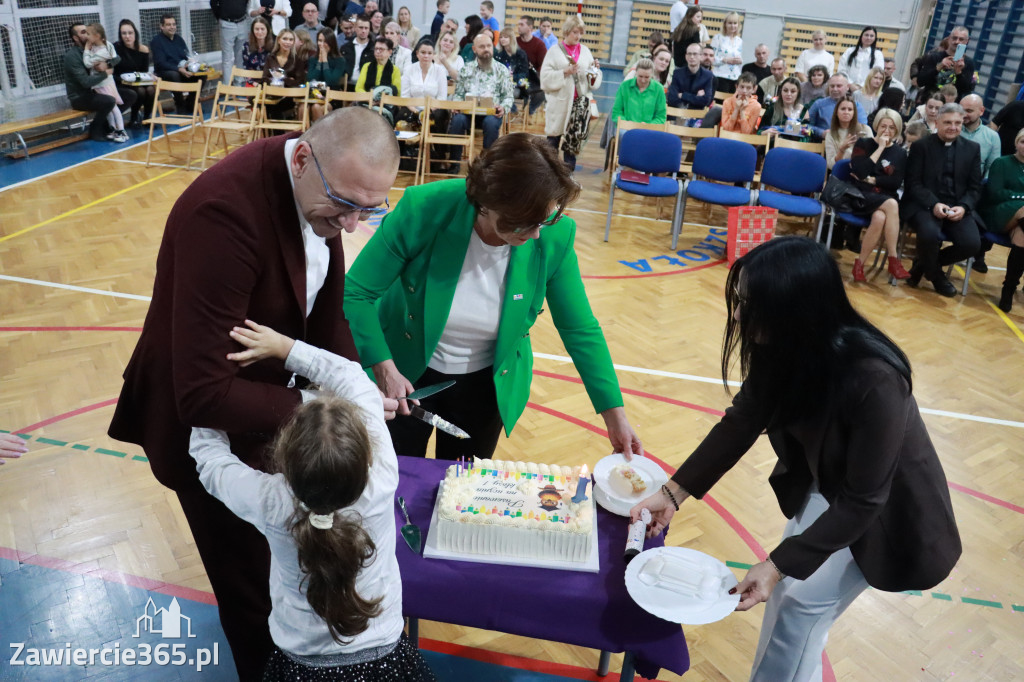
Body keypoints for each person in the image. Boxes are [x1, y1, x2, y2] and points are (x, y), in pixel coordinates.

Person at [108, 108, 400, 679]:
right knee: (251, 593)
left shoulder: (323, 193)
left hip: (268, 414)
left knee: (287, 571)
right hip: (209, 428)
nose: (352, 224)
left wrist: (353, 383)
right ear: (302, 159)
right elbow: (202, 396)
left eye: (370, 209)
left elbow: (324, 310)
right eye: (345, 205)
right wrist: (331, 409)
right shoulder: (223, 215)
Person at [629, 235, 961, 682]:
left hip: (887, 515)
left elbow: (864, 500)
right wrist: (672, 493)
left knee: (799, 609)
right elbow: (743, 420)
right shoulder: (783, 346)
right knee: (787, 601)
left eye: (750, 304)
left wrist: (778, 564)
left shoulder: (876, 379)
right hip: (832, 487)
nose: (737, 315)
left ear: (796, 310)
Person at [344, 132, 643, 461]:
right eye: (523, 224)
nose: (537, 234)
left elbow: (579, 328)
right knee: (394, 472)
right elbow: (357, 292)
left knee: (463, 483)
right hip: (403, 369)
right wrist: (384, 368)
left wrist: (615, 416)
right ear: (486, 204)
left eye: (544, 220)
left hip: (486, 386)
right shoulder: (425, 208)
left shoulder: (553, 233)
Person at [189, 323, 435, 681]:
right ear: (367, 454)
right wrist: (286, 347)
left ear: (282, 459)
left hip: (302, 664)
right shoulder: (381, 479)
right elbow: (352, 379)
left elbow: (212, 463)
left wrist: (207, 399)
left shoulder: (272, 501)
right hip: (383, 652)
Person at [903, 103, 984, 297]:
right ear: (937, 123)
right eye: (948, 122)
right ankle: (937, 278)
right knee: (929, 234)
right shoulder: (921, 146)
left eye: (957, 123)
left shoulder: (972, 149)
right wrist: (933, 204)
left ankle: (922, 265)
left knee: (972, 244)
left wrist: (963, 207)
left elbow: (975, 188)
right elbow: (913, 183)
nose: (953, 127)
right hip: (925, 205)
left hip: (957, 207)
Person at [849, 108, 911, 282]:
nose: (887, 131)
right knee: (892, 204)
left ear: (897, 130)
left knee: (880, 218)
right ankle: (894, 260)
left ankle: (859, 265)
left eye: (892, 128)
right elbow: (860, 172)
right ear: (876, 126)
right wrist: (880, 148)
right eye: (883, 126)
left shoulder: (900, 153)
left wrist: (872, 179)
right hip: (861, 195)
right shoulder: (863, 143)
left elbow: (895, 182)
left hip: (883, 197)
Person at [541, 15, 601, 170]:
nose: (578, 36)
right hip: (558, 104)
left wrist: (594, 70)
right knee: (552, 142)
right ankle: (550, 174)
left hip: (578, 105)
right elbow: (545, 79)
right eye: (575, 32)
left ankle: (567, 176)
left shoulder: (586, 51)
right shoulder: (554, 51)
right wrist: (565, 72)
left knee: (572, 145)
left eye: (580, 32)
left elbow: (592, 83)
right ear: (567, 32)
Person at [449, 32, 513, 165]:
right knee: (457, 121)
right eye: (482, 46)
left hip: (491, 113)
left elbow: (508, 96)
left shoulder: (501, 70)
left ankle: (486, 164)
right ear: (474, 49)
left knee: (491, 123)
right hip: (468, 113)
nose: (486, 49)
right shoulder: (466, 69)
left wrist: (503, 108)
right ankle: (454, 163)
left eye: (489, 46)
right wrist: (457, 105)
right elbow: (458, 94)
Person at [979, 129, 1024, 312]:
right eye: (1023, 142)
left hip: (1020, 222)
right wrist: (1021, 197)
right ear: (1016, 142)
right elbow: (995, 194)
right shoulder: (1002, 162)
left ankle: (1008, 289)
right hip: (996, 213)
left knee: (1022, 237)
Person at [64, 23, 118, 141]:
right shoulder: (72, 56)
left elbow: (117, 58)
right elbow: (85, 82)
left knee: (130, 95)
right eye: (84, 32)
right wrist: (105, 73)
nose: (88, 34)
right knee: (109, 101)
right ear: (76, 38)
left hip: (98, 89)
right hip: (80, 97)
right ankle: (95, 128)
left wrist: (108, 64)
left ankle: (108, 124)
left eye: (88, 31)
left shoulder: (96, 47)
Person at [83, 23, 128, 143]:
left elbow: (87, 63)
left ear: (97, 36)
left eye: (88, 34)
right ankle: (113, 129)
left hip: (104, 83)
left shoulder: (102, 51)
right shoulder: (104, 45)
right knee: (107, 107)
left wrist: (86, 50)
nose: (86, 36)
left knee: (113, 107)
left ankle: (121, 131)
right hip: (100, 84)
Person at [151, 14, 203, 114]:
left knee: (201, 74)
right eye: (168, 25)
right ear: (162, 26)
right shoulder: (156, 41)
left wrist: (189, 63)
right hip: (164, 72)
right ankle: (180, 104)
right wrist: (178, 69)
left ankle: (191, 102)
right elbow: (161, 63)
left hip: (181, 69)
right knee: (174, 75)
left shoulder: (179, 39)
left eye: (174, 24)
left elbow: (186, 56)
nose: (172, 27)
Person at [917, 26, 975, 100]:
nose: (957, 42)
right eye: (954, 38)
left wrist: (958, 72)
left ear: (967, 41)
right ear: (949, 39)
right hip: (931, 100)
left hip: (952, 104)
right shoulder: (934, 57)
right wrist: (938, 67)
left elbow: (966, 90)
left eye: (961, 39)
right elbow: (920, 82)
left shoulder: (968, 63)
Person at [113, 19, 152, 128]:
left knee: (150, 89)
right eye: (124, 33)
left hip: (137, 81)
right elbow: (112, 73)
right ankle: (134, 117)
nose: (127, 36)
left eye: (130, 33)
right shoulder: (115, 48)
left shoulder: (143, 49)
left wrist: (150, 77)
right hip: (121, 82)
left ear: (135, 33)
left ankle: (148, 117)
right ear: (120, 35)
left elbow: (144, 72)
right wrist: (124, 80)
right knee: (140, 91)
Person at [806, 74, 867, 140]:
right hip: (822, 142)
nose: (835, 89)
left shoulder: (857, 106)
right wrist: (821, 133)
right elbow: (804, 128)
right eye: (832, 86)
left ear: (847, 87)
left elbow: (863, 129)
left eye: (839, 86)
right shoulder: (818, 104)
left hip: (849, 142)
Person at [263, 29, 308, 118]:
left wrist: (281, 79)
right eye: (285, 39)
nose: (288, 42)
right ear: (278, 40)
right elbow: (265, 78)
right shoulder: (270, 58)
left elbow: (300, 83)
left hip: (289, 96)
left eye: (291, 40)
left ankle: (277, 126)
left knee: (273, 107)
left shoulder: (297, 60)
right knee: (258, 102)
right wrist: (289, 80)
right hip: (273, 94)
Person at [611, 58, 666, 127]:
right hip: (626, 128)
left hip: (649, 129)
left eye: (647, 77)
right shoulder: (624, 86)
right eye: (640, 76)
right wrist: (626, 123)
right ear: (635, 73)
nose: (643, 80)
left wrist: (648, 125)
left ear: (652, 75)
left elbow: (661, 117)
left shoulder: (659, 89)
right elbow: (616, 112)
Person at [308, 29, 347, 119]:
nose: (321, 44)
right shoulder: (313, 59)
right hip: (315, 95)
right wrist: (319, 62)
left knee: (316, 108)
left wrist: (325, 61)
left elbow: (331, 81)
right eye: (320, 41)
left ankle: (319, 129)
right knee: (302, 108)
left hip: (332, 97)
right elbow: (311, 79)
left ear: (331, 43)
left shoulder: (340, 60)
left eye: (325, 41)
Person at [824, 94, 871, 169]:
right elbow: (831, 165)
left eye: (850, 109)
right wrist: (842, 149)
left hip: (861, 171)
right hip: (840, 172)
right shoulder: (830, 134)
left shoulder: (865, 130)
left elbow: (872, 157)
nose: (846, 112)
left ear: (854, 113)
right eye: (843, 109)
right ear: (836, 112)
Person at [958, 94, 1000, 177]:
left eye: (969, 111)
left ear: (981, 111)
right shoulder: (952, 130)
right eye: (961, 110)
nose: (964, 115)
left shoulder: (992, 137)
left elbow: (992, 168)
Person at [210, 0, 251, 83]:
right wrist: (221, 18)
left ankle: (239, 84)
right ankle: (227, 86)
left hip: (242, 22)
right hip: (226, 23)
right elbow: (213, 3)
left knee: (241, 56)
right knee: (227, 58)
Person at [666, 42, 713, 111]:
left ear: (701, 56)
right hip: (678, 112)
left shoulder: (707, 75)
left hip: (697, 114)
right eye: (689, 54)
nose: (692, 57)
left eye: (695, 54)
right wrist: (696, 97)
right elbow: (671, 98)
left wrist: (682, 95)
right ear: (686, 56)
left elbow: (706, 101)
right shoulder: (677, 73)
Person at [516, 15, 547, 114]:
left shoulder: (539, 45)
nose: (519, 27)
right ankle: (515, 112)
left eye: (522, 24)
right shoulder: (514, 42)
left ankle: (529, 112)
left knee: (542, 92)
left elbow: (544, 66)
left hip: (532, 79)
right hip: (516, 78)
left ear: (530, 27)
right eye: (518, 24)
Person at [838, 26, 883, 92]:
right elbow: (842, 69)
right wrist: (850, 84)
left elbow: (877, 73)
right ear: (861, 36)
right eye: (866, 35)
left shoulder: (878, 54)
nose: (868, 38)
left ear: (875, 38)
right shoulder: (849, 51)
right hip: (847, 88)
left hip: (866, 90)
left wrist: (862, 86)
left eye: (871, 36)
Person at [709, 12, 742, 94]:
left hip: (735, 78)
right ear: (725, 24)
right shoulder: (717, 38)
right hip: (721, 76)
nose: (732, 26)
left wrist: (740, 61)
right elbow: (711, 59)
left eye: (735, 23)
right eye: (730, 23)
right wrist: (725, 60)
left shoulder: (739, 40)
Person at [495, 27, 529, 104]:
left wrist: (512, 78)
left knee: (509, 93)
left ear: (511, 39)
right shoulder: (498, 55)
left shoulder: (521, 54)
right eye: (501, 37)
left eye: (505, 37)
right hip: (500, 85)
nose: (502, 39)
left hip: (517, 86)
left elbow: (524, 74)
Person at [340, 14, 373, 86]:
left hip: (365, 87)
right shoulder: (345, 48)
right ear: (355, 28)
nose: (363, 31)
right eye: (361, 27)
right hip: (347, 85)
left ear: (369, 29)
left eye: (366, 28)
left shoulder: (373, 49)